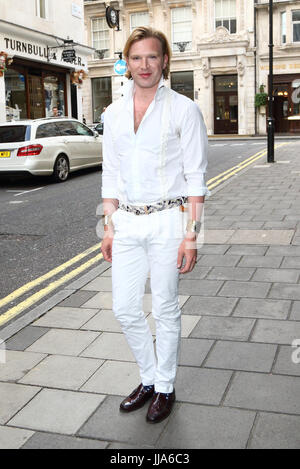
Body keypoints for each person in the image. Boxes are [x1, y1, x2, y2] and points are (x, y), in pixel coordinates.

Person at [101, 27, 209, 424]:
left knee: (164, 307)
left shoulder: (184, 109)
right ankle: (148, 377)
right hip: (127, 221)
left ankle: (165, 386)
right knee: (125, 309)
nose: (144, 65)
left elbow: (197, 178)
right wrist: (109, 227)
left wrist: (192, 237)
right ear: (127, 64)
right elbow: (110, 176)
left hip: (169, 220)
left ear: (165, 61)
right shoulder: (112, 114)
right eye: (136, 58)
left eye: (152, 57)